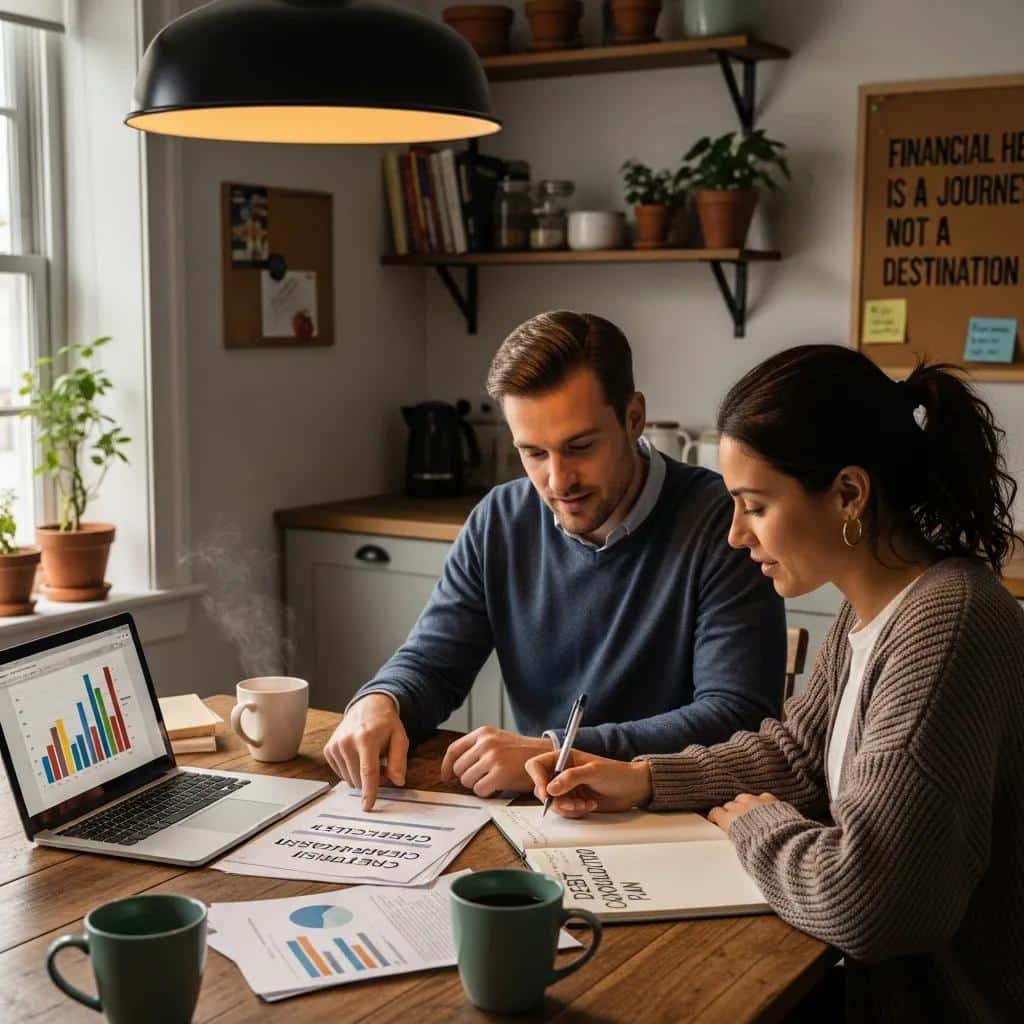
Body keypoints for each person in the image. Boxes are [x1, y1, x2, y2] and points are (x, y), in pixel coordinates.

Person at [526, 344, 1024, 1021]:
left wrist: (759, 826)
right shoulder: (880, 599)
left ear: (849, 493)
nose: (735, 535)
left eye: (754, 506)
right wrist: (642, 778)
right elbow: (800, 755)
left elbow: (868, 903)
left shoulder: (948, 624)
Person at [323, 311, 786, 809]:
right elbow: (433, 664)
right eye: (533, 454)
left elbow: (737, 715)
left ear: (633, 418)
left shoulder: (724, 522)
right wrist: (380, 701)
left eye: (579, 447)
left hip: (685, 813)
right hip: (547, 810)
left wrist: (556, 751)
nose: (558, 480)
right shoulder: (499, 520)